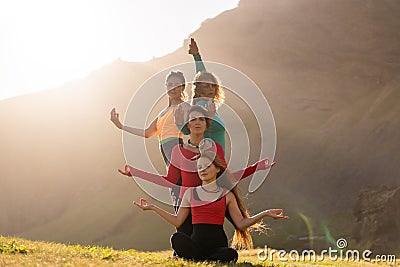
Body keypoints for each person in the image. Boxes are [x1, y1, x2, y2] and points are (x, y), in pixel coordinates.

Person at [119, 105, 274, 236]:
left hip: (211, 201)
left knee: (212, 243)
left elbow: (225, 177)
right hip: (187, 204)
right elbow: (170, 180)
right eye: (193, 119)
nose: (197, 123)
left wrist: (256, 167)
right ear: (187, 125)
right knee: (182, 242)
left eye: (201, 119)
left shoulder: (215, 148)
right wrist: (136, 173)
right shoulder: (177, 151)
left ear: (206, 124)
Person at [133, 151, 288, 263]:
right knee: (176, 238)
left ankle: (197, 258)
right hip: (196, 244)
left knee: (231, 254)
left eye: (207, 166)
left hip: (217, 247)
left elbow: (240, 223)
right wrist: (153, 207)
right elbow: (178, 221)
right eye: (199, 167)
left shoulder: (227, 195)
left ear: (217, 169)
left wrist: (266, 213)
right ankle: (201, 258)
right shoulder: (190, 194)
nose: (202, 170)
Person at [110, 71, 187, 165]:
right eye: (170, 85)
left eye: (177, 85)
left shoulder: (184, 106)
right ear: (166, 86)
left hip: (176, 147)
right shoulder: (163, 112)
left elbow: (195, 127)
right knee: (173, 179)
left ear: (183, 87)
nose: (173, 88)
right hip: (165, 150)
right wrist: (121, 126)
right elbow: (147, 133)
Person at [175, 38, 227, 153]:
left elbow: (202, 74)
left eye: (213, 86)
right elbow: (188, 131)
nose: (211, 88)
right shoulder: (201, 107)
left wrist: (197, 56)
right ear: (198, 90)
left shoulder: (210, 106)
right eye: (206, 86)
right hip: (209, 163)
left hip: (219, 163)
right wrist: (179, 123)